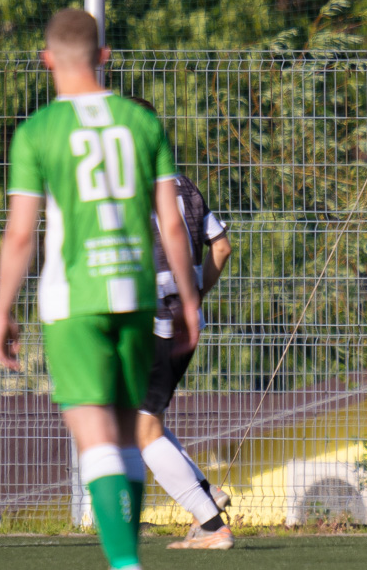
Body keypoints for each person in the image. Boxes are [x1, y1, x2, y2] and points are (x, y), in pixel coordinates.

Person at [0, 9, 200, 570]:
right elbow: (174, 224)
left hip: (72, 302)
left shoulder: (37, 130)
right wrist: (188, 299)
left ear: (47, 60)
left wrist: (2, 309)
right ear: (104, 58)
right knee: (130, 433)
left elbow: (19, 234)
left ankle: (125, 564)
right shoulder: (141, 123)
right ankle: (128, 559)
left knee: (95, 434)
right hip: (135, 296)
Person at [126, 97, 235, 550]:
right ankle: (206, 491)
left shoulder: (129, 189)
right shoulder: (185, 186)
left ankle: (210, 523)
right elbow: (222, 248)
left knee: (140, 427)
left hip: (153, 323)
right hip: (189, 320)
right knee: (149, 416)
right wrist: (196, 294)